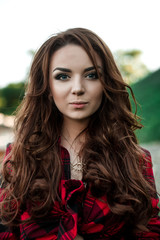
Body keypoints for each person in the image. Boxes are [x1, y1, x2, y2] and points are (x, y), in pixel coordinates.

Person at [0, 28, 160, 240]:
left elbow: (150, 233)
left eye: (91, 75)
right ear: (47, 86)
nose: (77, 88)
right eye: (63, 76)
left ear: (106, 83)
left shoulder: (136, 160)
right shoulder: (20, 157)